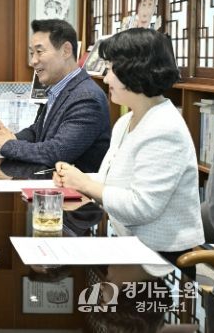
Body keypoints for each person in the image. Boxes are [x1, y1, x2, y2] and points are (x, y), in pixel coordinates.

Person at [53, 28, 204, 268]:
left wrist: (84, 184)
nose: (106, 79)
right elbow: (111, 181)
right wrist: (75, 177)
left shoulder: (164, 128)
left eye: (111, 69)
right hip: (127, 244)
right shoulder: (126, 121)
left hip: (161, 260)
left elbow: (141, 207)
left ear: (135, 71)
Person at [0, 19, 111, 172]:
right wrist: (7, 136)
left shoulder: (87, 97)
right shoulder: (59, 89)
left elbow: (56, 152)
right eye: (32, 53)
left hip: (74, 187)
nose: (33, 61)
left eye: (39, 52)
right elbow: (37, 132)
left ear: (66, 50)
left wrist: (8, 144)